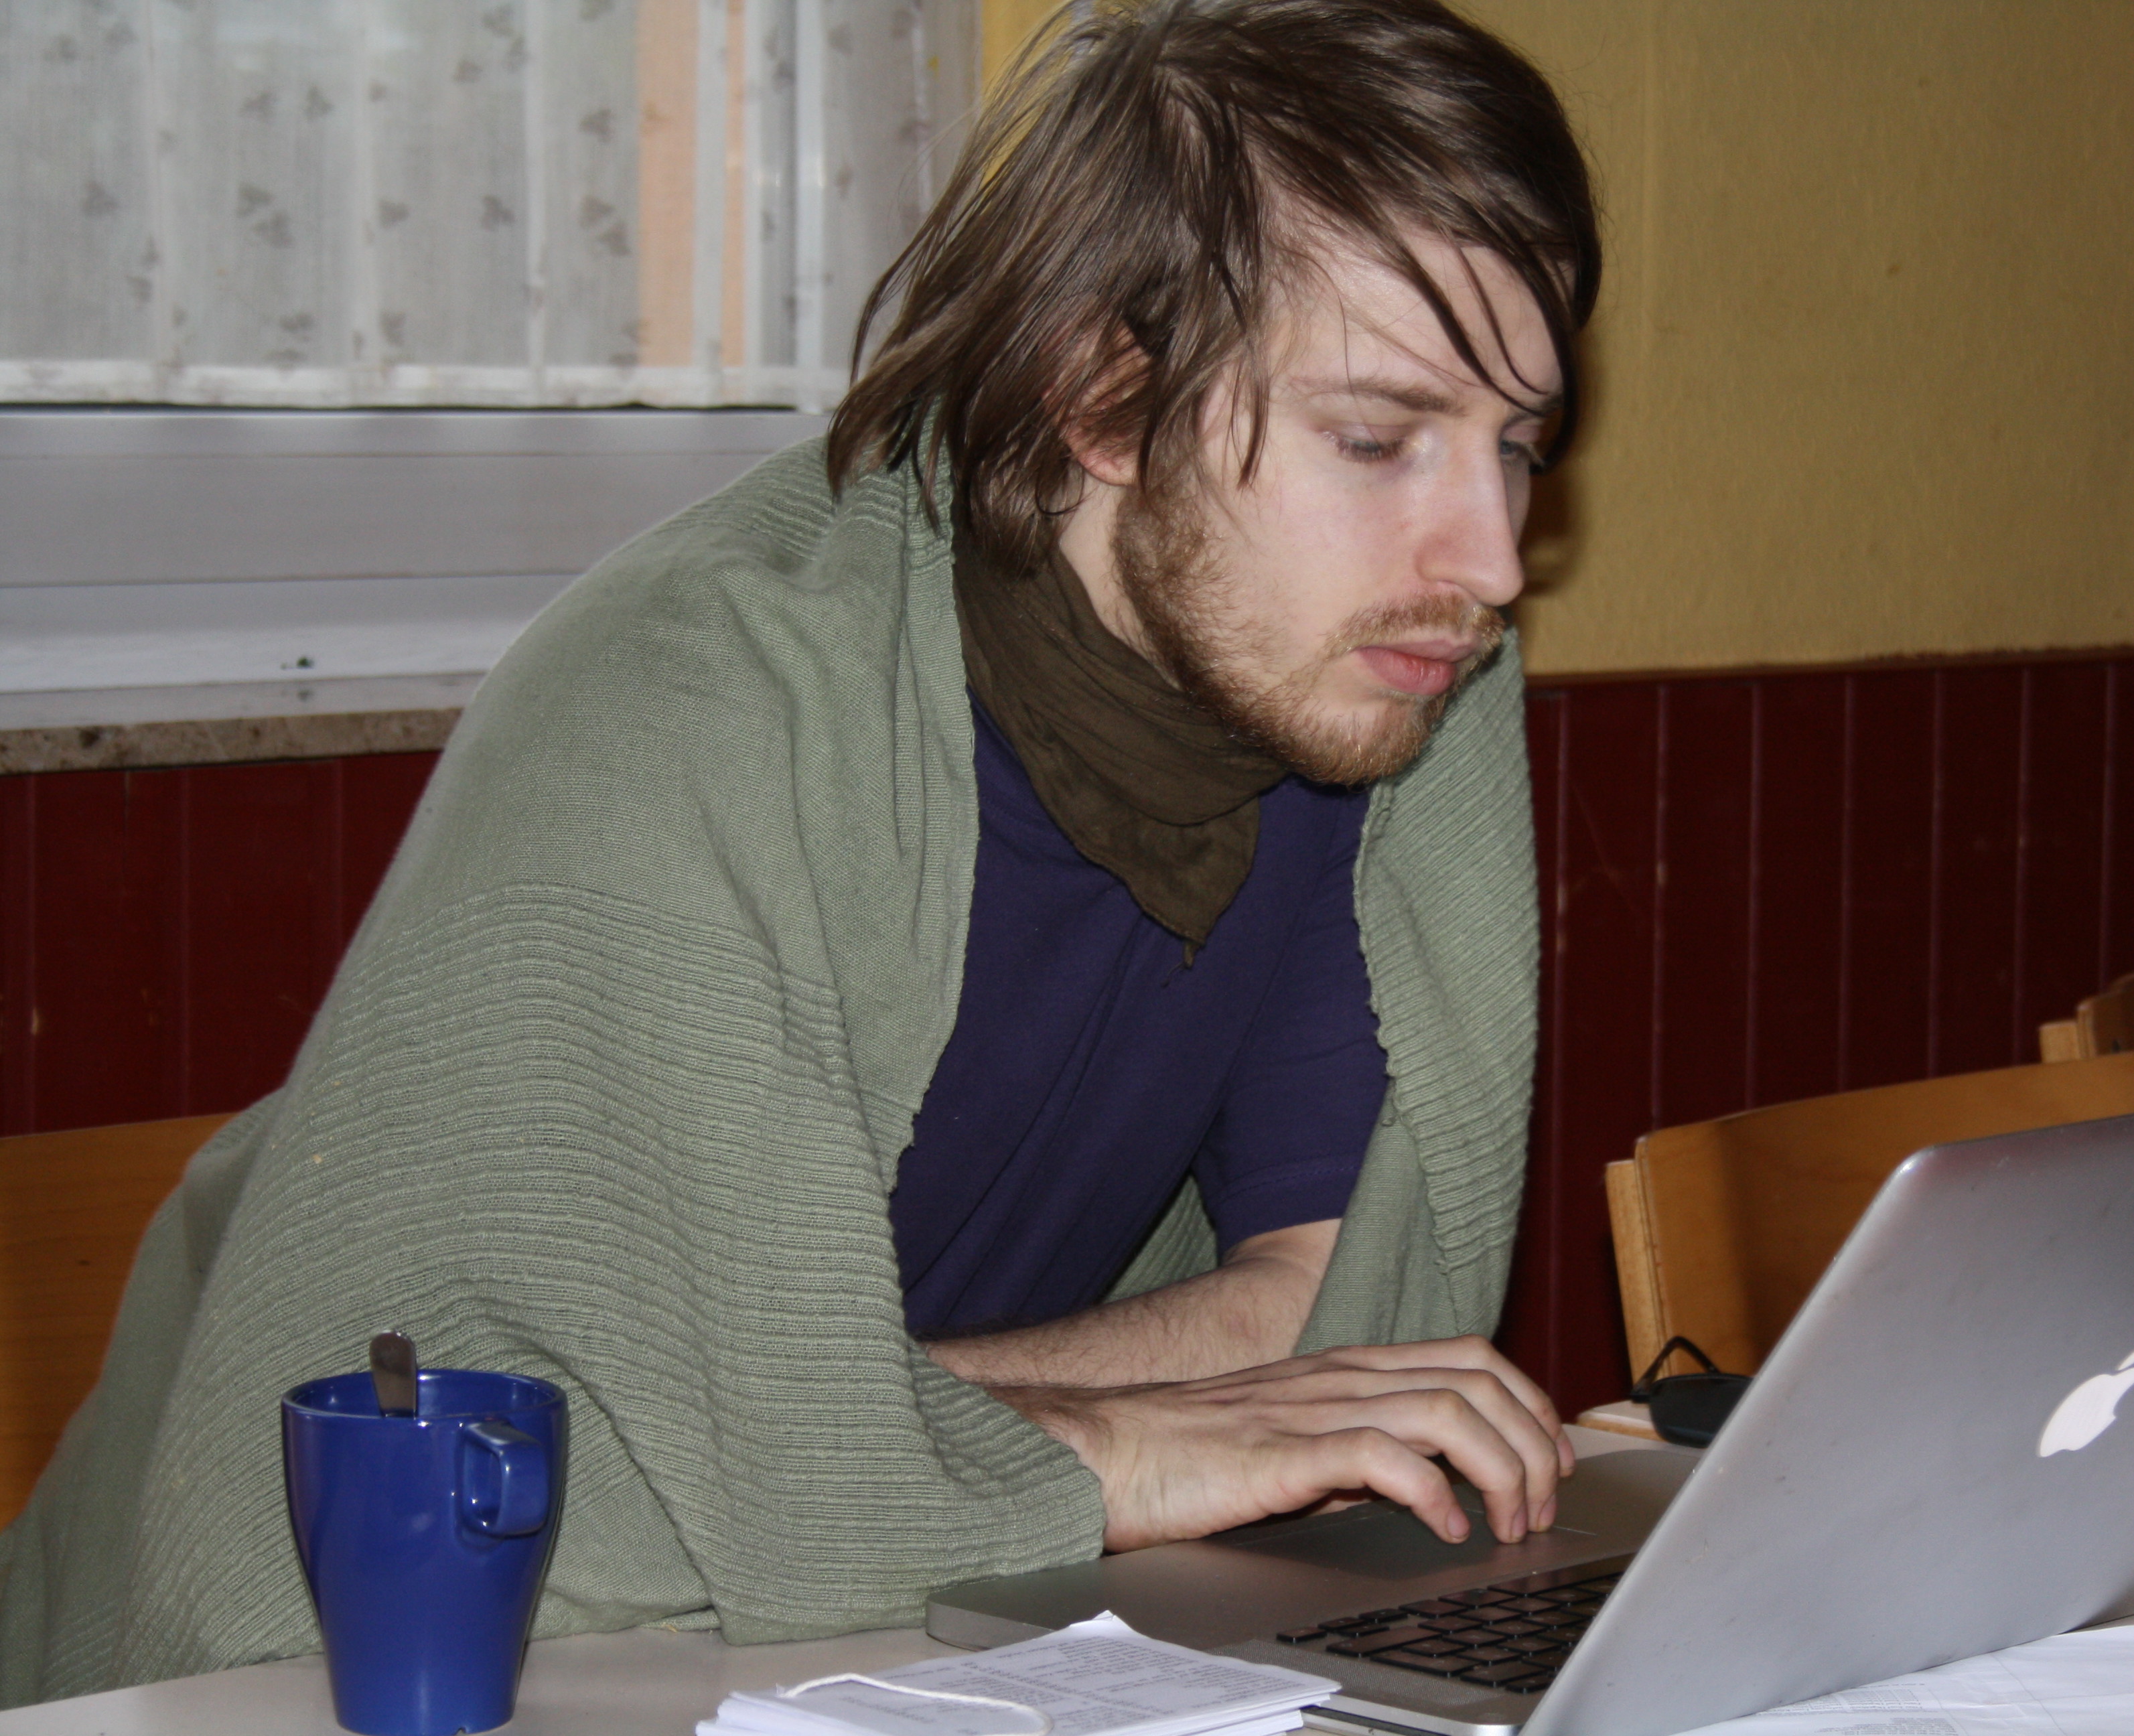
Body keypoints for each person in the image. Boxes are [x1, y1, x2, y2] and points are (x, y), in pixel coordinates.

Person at [0, 0, 1601, 1705]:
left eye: (1514, 445)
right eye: (1378, 440)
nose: (1488, 562)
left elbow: (1325, 1325)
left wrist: (914, 1441)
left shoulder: (1363, 686)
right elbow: (525, 1471)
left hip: (861, 1639)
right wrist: (1101, 1445)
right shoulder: (694, 705)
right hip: (307, 1658)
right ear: (1105, 400)